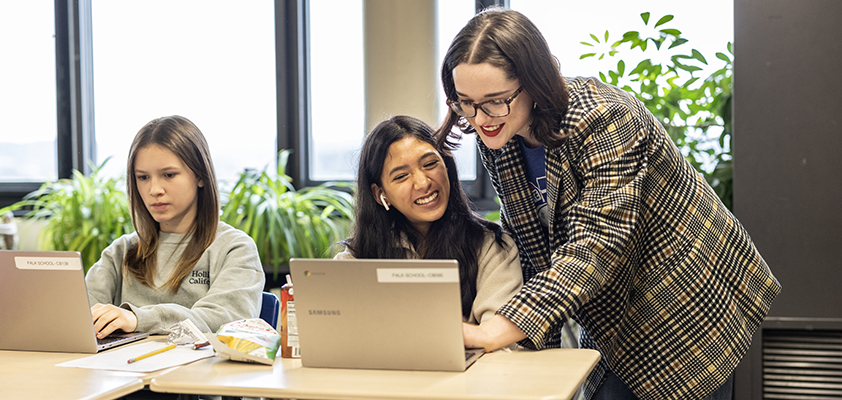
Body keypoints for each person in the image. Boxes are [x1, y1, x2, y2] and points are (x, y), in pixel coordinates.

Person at [436, 7, 781, 400]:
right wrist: (529, 350)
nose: (480, 119)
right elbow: (532, 243)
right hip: (611, 304)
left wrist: (497, 328)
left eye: (495, 100)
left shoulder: (606, 117)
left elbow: (597, 244)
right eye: (466, 102)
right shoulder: (499, 132)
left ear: (533, 82)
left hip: (685, 298)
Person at [86, 115, 265, 337]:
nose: (154, 189)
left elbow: (227, 319)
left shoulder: (235, 248)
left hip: (202, 371)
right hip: (130, 370)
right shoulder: (121, 251)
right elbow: (78, 315)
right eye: (143, 177)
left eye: (168, 175)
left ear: (200, 176)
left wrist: (139, 319)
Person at [336, 115, 522, 325]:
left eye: (430, 163)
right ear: (380, 194)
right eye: (401, 176)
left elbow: (498, 337)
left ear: (447, 165)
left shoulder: (491, 247)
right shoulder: (355, 260)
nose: (423, 183)